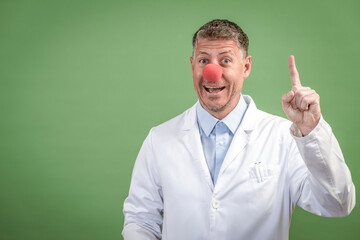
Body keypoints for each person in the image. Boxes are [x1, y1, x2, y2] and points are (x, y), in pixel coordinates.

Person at [122, 19, 355, 240]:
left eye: (225, 60)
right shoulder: (159, 139)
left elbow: (337, 204)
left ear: (246, 67)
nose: (212, 73)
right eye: (203, 61)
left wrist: (312, 132)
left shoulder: (284, 137)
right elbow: (140, 219)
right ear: (192, 66)